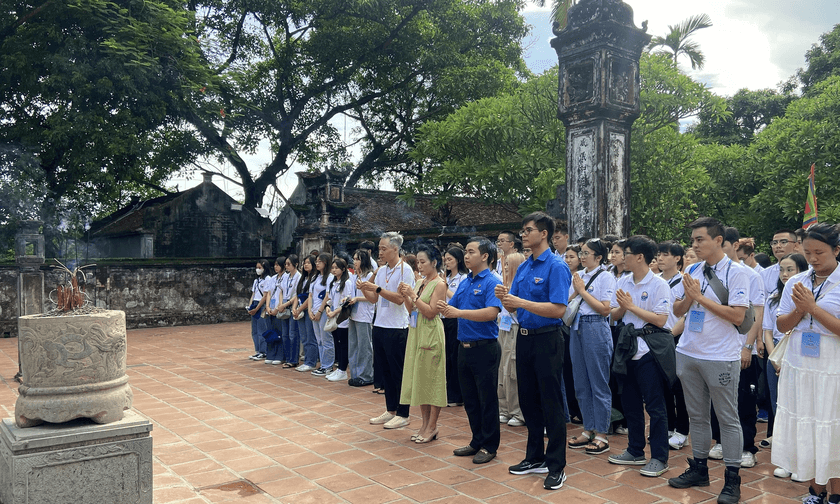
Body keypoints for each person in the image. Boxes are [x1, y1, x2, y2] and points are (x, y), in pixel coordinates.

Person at [667, 217, 749, 504]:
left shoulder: (737, 273)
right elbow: (677, 310)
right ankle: (699, 468)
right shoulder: (691, 269)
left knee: (727, 419)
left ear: (717, 240)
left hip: (720, 356)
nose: (694, 245)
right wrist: (691, 298)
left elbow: (739, 316)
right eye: (693, 240)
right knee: (697, 415)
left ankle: (732, 479)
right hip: (689, 352)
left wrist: (700, 297)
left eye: (700, 239)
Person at [496, 211, 571, 491]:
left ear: (544, 234)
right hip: (524, 337)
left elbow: (559, 309)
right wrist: (505, 299)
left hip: (547, 339)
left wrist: (520, 303)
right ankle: (534, 456)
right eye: (523, 231)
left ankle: (556, 466)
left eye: (528, 230)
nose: (524, 235)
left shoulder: (555, 266)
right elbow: (513, 306)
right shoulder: (525, 266)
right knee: (528, 399)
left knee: (550, 401)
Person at [773, 223, 840, 504]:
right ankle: (815, 488)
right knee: (807, 424)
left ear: (837, 250)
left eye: (820, 252)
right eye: (808, 252)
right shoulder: (795, 281)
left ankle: (836, 491)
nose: (813, 258)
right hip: (801, 363)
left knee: (831, 425)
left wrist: (813, 309)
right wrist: (800, 310)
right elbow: (781, 324)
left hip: (832, 365)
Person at [608, 235, 673, 478]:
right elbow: (614, 316)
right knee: (630, 402)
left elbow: (660, 320)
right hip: (627, 350)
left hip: (648, 351)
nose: (622, 257)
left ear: (639, 257)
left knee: (655, 406)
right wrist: (623, 307)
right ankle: (635, 450)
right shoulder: (623, 281)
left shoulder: (658, 285)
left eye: (625, 253)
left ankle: (659, 457)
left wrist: (631, 306)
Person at [440, 237, 503, 464]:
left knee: (487, 399)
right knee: (470, 399)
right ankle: (476, 440)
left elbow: (490, 313)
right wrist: (443, 307)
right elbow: (452, 306)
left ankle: (489, 445)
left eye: (471, 252)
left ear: (485, 256)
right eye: (465, 252)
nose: (465, 256)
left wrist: (458, 313)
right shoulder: (466, 281)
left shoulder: (492, 281)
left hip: (484, 347)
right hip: (463, 346)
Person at [359, 232, 415, 430]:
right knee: (385, 371)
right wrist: (365, 287)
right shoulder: (382, 271)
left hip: (397, 327)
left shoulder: (405, 270)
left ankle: (403, 412)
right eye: (379, 248)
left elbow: (400, 299)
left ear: (395, 249)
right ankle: (390, 409)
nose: (380, 252)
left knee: (398, 371)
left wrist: (377, 289)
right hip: (380, 325)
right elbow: (375, 299)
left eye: (383, 248)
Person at [566, 238, 615, 455]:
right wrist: (577, 290)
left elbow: (605, 309)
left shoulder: (606, 277)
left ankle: (602, 433)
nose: (583, 256)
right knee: (581, 382)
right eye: (582, 253)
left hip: (595, 327)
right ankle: (588, 429)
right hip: (576, 327)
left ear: (599, 257)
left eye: (587, 253)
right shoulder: (579, 276)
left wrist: (583, 291)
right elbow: (567, 301)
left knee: (598, 382)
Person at [761, 252, 807, 478]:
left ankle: (804, 461)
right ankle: (787, 460)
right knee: (781, 406)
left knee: (804, 408)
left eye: (790, 269)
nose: (785, 274)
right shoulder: (772, 299)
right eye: (782, 270)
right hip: (777, 355)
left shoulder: (811, 294)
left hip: (801, 354)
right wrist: (774, 359)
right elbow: (768, 331)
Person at [399, 245, 448, 443]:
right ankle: (424, 424)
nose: (419, 266)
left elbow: (430, 311)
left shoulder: (439, 284)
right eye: (417, 262)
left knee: (433, 379)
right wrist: (405, 296)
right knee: (420, 379)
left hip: (430, 332)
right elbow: (412, 309)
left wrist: (413, 295)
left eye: (423, 262)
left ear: (434, 262)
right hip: (417, 331)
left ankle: (433, 426)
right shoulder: (420, 281)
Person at [657, 241, 690, 450]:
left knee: (679, 388)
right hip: (657, 338)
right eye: (658, 254)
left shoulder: (684, 282)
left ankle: (682, 431)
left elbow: (685, 316)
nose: (659, 258)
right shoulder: (655, 281)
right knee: (662, 386)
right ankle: (667, 427)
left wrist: (670, 335)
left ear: (677, 258)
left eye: (665, 254)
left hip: (675, 338)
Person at [498, 252, 526, 428]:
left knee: (512, 370)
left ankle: (518, 411)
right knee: (501, 368)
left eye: (509, 264)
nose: (505, 267)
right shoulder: (503, 284)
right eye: (505, 264)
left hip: (515, 328)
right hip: (502, 328)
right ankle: (504, 408)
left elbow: (519, 311)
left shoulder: (521, 285)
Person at [443, 247, 468, 407]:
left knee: (454, 355)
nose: (446, 262)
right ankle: (447, 392)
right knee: (445, 356)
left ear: (458, 260)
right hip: (443, 318)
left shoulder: (463, 278)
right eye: (445, 259)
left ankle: (456, 394)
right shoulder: (445, 278)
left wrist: (445, 289)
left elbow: (459, 299)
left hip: (455, 319)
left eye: (450, 259)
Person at [347, 250, 375, 386]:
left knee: (364, 346)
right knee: (353, 345)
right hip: (353, 313)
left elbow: (373, 297)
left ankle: (366, 375)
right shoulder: (353, 276)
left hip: (364, 315)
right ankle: (355, 374)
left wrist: (357, 298)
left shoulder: (369, 275)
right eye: (354, 259)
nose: (355, 261)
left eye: (357, 259)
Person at [325, 257, 354, 382]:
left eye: (336, 268)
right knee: (337, 342)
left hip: (342, 318)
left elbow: (346, 301)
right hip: (333, 315)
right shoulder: (333, 282)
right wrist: (327, 308)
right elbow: (330, 298)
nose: (334, 270)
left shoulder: (346, 282)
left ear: (343, 269)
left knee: (343, 344)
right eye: (332, 268)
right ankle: (339, 368)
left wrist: (334, 312)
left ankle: (343, 369)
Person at [308, 253, 335, 377]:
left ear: (326, 262)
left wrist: (319, 311)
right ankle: (323, 364)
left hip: (323, 311)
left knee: (326, 339)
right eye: (316, 261)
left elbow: (327, 296)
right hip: (313, 310)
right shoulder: (315, 277)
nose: (317, 263)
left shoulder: (330, 277)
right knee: (319, 340)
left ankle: (328, 366)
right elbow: (310, 295)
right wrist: (309, 310)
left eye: (320, 261)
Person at [293, 255, 320, 372]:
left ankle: (311, 362)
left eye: (308, 263)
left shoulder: (315, 279)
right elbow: (297, 295)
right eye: (304, 263)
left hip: (309, 309)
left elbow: (310, 297)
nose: (306, 265)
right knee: (304, 338)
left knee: (310, 338)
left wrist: (300, 309)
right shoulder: (302, 279)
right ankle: (307, 360)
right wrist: (295, 308)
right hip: (300, 309)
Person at [279, 255, 302, 368]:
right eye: (286, 264)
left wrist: (286, 304)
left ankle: (293, 359)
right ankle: (287, 357)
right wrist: (280, 304)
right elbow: (281, 291)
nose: (287, 266)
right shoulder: (285, 276)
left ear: (295, 264)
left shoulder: (299, 276)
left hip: (293, 305)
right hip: (284, 305)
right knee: (285, 335)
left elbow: (297, 294)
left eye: (289, 264)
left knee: (293, 334)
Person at [264, 256, 287, 365]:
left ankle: (280, 355)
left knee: (280, 333)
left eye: (278, 265)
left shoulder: (286, 277)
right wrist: (268, 307)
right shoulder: (273, 278)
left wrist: (277, 308)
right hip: (271, 308)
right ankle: (271, 354)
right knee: (271, 332)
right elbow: (269, 293)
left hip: (280, 308)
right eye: (275, 265)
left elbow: (283, 294)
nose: (276, 267)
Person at [247, 259, 272, 361]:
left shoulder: (268, 279)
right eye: (257, 268)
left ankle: (263, 351)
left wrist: (258, 308)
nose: (258, 270)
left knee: (262, 329)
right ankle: (257, 350)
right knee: (255, 330)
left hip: (261, 305)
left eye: (260, 268)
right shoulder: (256, 280)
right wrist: (250, 306)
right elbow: (253, 294)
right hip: (255, 303)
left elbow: (265, 295)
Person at [761, 229, 798, 296]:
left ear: (795, 246)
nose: (778, 246)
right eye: (774, 243)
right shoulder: (764, 274)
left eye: (783, 242)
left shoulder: (807, 270)